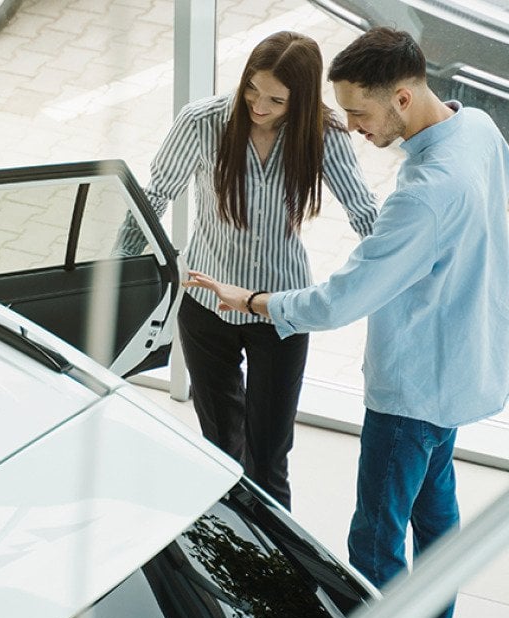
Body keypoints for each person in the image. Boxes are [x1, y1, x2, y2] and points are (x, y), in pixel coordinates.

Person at [186, 27, 509, 618]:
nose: (353, 129)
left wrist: (251, 298)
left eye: (359, 114)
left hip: (413, 386)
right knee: (437, 519)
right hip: (462, 367)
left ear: (400, 96)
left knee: (375, 540)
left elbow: (339, 301)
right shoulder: (476, 129)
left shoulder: (421, 195)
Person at [117, 30, 377, 509]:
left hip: (281, 311)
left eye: (276, 99)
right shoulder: (202, 123)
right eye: (251, 90)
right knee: (219, 450)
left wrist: (394, 272)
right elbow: (153, 198)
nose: (258, 105)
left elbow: (362, 210)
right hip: (206, 304)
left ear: (300, 100)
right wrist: (119, 274)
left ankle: (279, 570)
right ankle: (227, 555)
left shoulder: (323, 133)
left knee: (269, 457)